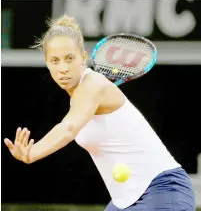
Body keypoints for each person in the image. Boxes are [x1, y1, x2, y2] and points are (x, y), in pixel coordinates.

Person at [4, 14, 195, 211]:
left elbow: (68, 128)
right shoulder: (79, 98)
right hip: (126, 201)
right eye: (55, 60)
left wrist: (32, 153)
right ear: (47, 63)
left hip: (163, 191)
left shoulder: (92, 84)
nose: (63, 68)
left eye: (70, 58)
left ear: (83, 58)